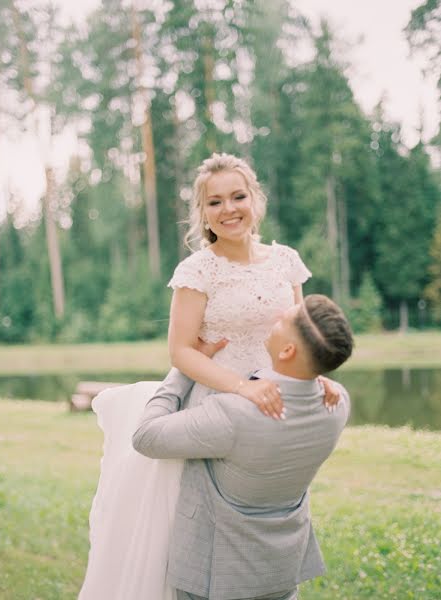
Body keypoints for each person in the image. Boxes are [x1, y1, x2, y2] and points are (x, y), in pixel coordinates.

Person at [78, 153, 338, 600]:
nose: (229, 209)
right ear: (202, 213)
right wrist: (241, 388)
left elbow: (303, 332)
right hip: (217, 407)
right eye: (214, 202)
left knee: (271, 509)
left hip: (277, 410)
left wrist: (316, 377)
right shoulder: (198, 271)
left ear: (255, 198)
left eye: (238, 196)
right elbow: (180, 350)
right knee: (210, 521)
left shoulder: (286, 261)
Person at [133, 294, 354, 600]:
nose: (275, 317)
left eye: (283, 320)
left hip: (217, 578)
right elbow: (317, 385)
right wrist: (319, 379)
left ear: (288, 350)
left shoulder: (234, 414)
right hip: (282, 572)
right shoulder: (336, 403)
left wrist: (185, 367)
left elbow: (145, 436)